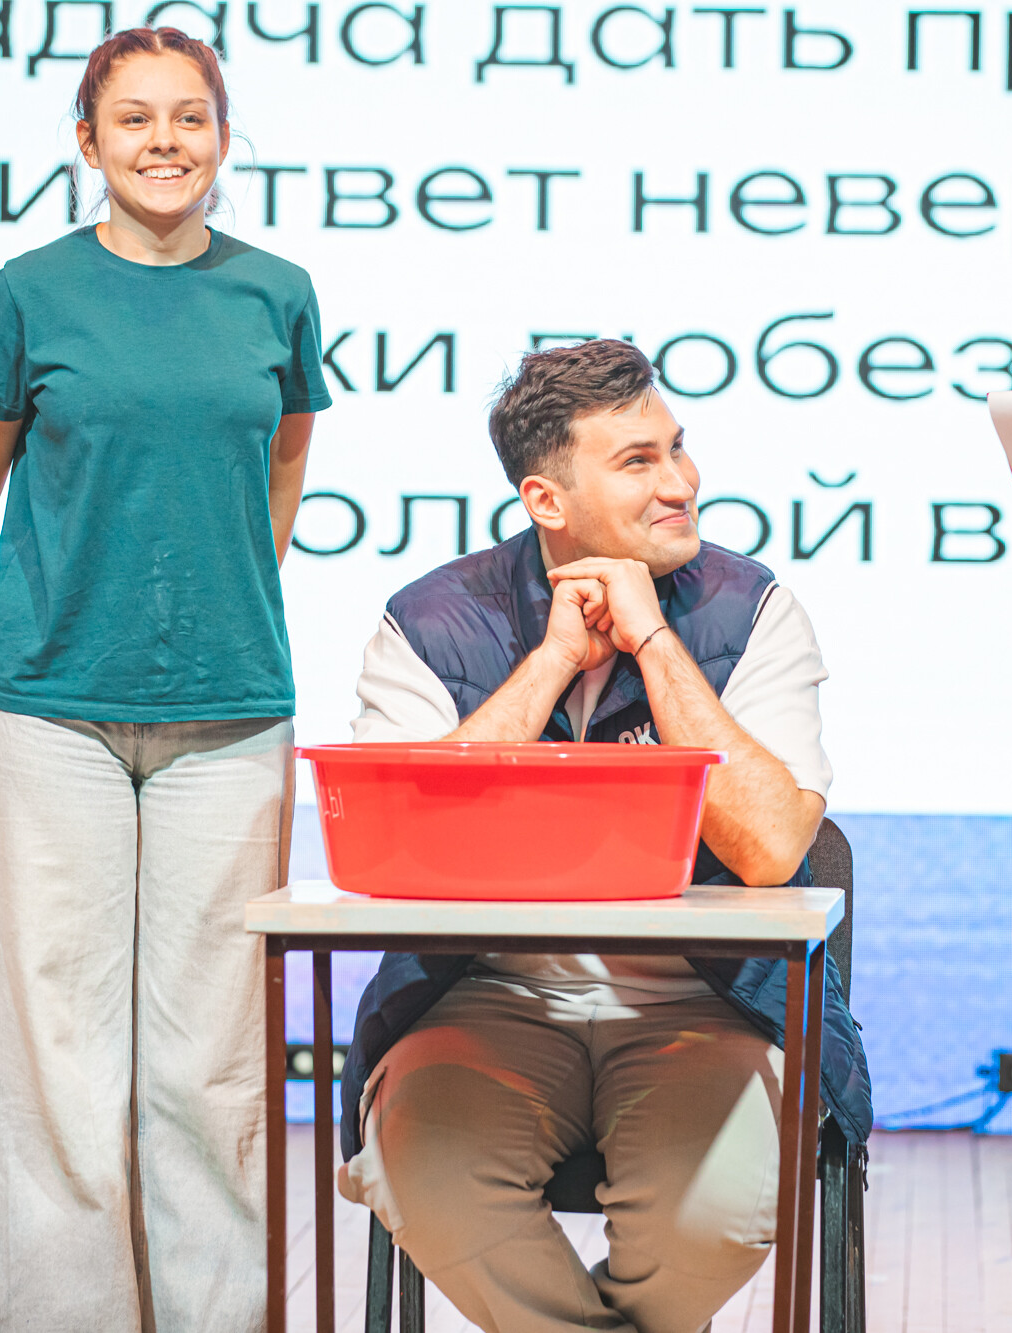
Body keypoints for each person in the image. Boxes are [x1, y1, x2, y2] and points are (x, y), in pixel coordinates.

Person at [335, 338, 870, 1333]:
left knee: (718, 1211)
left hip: (706, 1004)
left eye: (677, 448)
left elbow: (769, 848)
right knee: (424, 1172)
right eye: (637, 462)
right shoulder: (427, 622)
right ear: (546, 500)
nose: (681, 483)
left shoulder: (751, 610)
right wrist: (549, 662)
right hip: (481, 998)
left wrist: (654, 643)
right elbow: (406, 845)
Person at [0, 27, 331, 1330]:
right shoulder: (31, 290)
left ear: (223, 135)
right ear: (88, 142)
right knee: (54, 1056)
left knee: (211, 1063)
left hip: (234, 716)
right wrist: (24, 646)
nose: (165, 141)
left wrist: (215, 601)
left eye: (189, 117)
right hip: (52, 722)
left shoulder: (276, 292)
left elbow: (280, 462)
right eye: (135, 118)